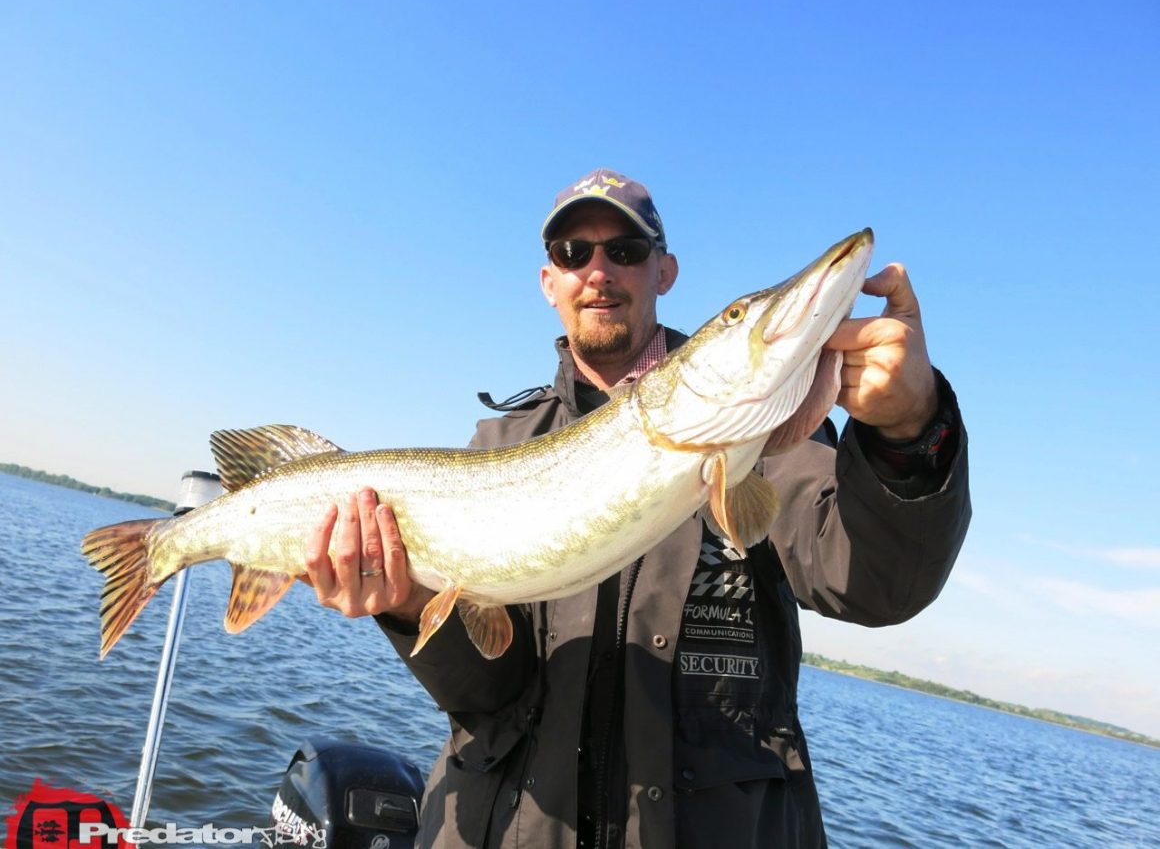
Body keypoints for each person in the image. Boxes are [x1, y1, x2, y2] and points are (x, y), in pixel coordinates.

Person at [303, 169, 971, 849]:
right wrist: (409, 604)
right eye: (573, 253)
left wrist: (909, 433)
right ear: (549, 283)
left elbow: (877, 584)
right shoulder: (501, 444)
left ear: (664, 271)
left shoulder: (771, 431)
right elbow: (486, 689)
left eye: (625, 249)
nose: (598, 270)